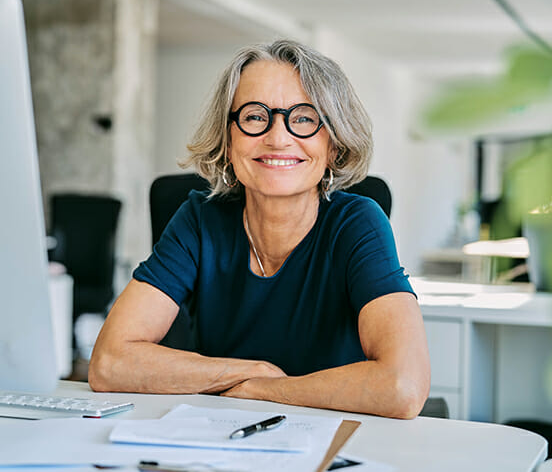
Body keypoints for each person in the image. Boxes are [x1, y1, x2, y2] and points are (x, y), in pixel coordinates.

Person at [89, 39, 430, 419]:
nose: (278, 138)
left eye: (303, 118)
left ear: (333, 144)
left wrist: (269, 391)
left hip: (332, 438)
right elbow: (109, 362)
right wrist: (251, 371)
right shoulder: (200, 218)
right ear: (228, 140)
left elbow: (403, 386)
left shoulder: (357, 223)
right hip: (219, 434)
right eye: (254, 117)